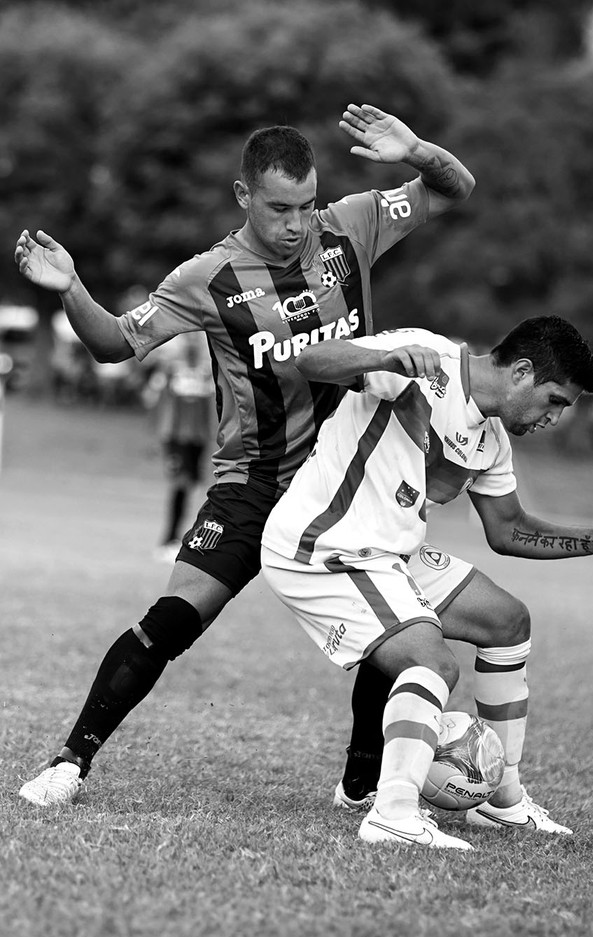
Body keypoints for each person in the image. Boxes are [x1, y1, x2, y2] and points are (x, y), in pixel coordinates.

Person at [14, 103, 475, 807]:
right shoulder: (209, 277)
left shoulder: (348, 227)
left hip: (350, 485)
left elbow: (453, 188)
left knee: (399, 631)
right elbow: (113, 343)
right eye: (279, 208)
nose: (296, 225)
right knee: (173, 618)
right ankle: (68, 763)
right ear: (243, 197)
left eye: (306, 206)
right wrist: (72, 288)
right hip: (255, 482)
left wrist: (416, 150)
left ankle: (361, 780)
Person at [260, 317, 593, 849]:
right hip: (325, 545)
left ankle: (501, 804)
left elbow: (509, 531)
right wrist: (385, 359)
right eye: (554, 400)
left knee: (508, 622)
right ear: (522, 372)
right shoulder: (427, 357)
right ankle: (392, 814)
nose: (553, 417)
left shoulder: (491, 440)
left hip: (389, 554)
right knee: (430, 663)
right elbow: (310, 361)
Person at [141, 334, 215, 562]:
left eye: (197, 339)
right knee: (180, 484)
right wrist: (155, 435)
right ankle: (169, 540)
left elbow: (215, 405)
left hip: (198, 439)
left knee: (192, 486)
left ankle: (180, 540)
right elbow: (149, 398)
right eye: (189, 339)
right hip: (175, 437)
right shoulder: (171, 369)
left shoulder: (207, 371)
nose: (193, 343)